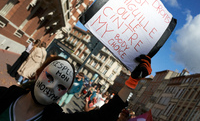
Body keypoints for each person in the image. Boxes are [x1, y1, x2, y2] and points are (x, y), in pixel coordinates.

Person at [0, 55, 152, 121]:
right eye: (50, 77)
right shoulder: (3, 96)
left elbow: (101, 118)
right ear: (39, 73)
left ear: (65, 92)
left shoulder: (56, 119)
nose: (52, 87)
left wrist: (132, 82)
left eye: (61, 86)